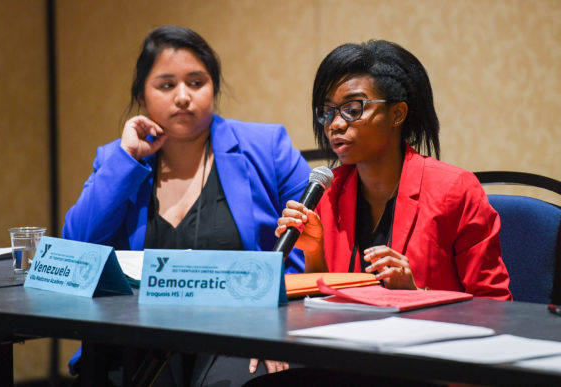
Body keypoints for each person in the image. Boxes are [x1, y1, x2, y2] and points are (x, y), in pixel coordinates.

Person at [63, 25, 310, 386]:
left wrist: (277, 326)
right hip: (140, 337)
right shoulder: (116, 160)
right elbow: (75, 247)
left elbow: (311, 246)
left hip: (242, 331)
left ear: (214, 87)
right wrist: (127, 159)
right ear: (142, 96)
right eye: (166, 85)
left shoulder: (267, 147)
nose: (183, 96)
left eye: (196, 82)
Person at [276, 40, 511, 300]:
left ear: (397, 114)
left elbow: (495, 305)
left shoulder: (455, 190)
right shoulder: (327, 193)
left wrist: (414, 294)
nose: (336, 124)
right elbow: (321, 303)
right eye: (328, 112)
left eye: (352, 110)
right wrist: (313, 252)